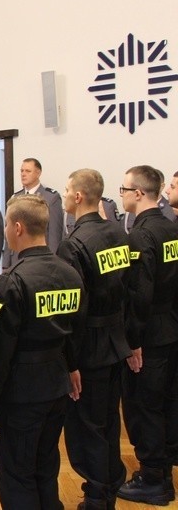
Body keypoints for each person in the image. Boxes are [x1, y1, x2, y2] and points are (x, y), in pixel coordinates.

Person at [0, 194, 86, 508]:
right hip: (56, 386)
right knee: (45, 466)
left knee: (16, 475)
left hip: (21, 392)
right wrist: (72, 368)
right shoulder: (70, 274)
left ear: (17, 227)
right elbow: (76, 333)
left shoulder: (11, 281)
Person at [57, 169, 132, 509]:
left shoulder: (73, 245)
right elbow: (131, 289)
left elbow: (73, 310)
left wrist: (70, 362)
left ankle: (99, 493)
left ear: (77, 197)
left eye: (67, 188)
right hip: (116, 342)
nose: (64, 193)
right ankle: (109, 482)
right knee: (108, 419)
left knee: (87, 426)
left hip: (89, 348)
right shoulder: (118, 232)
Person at [117, 165, 178, 505]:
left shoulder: (141, 236)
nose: (123, 195)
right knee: (166, 404)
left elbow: (139, 294)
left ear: (139, 193)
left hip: (149, 337)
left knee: (145, 408)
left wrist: (133, 341)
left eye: (124, 190)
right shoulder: (171, 229)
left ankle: (155, 479)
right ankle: (161, 468)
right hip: (169, 329)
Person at [2, 158, 63, 268]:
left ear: (38, 173)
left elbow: (54, 236)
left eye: (28, 171)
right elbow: (9, 233)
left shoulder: (51, 198)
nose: (23, 174)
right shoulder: (15, 198)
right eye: (22, 171)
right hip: (17, 259)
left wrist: (53, 264)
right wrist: (6, 264)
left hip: (41, 260)